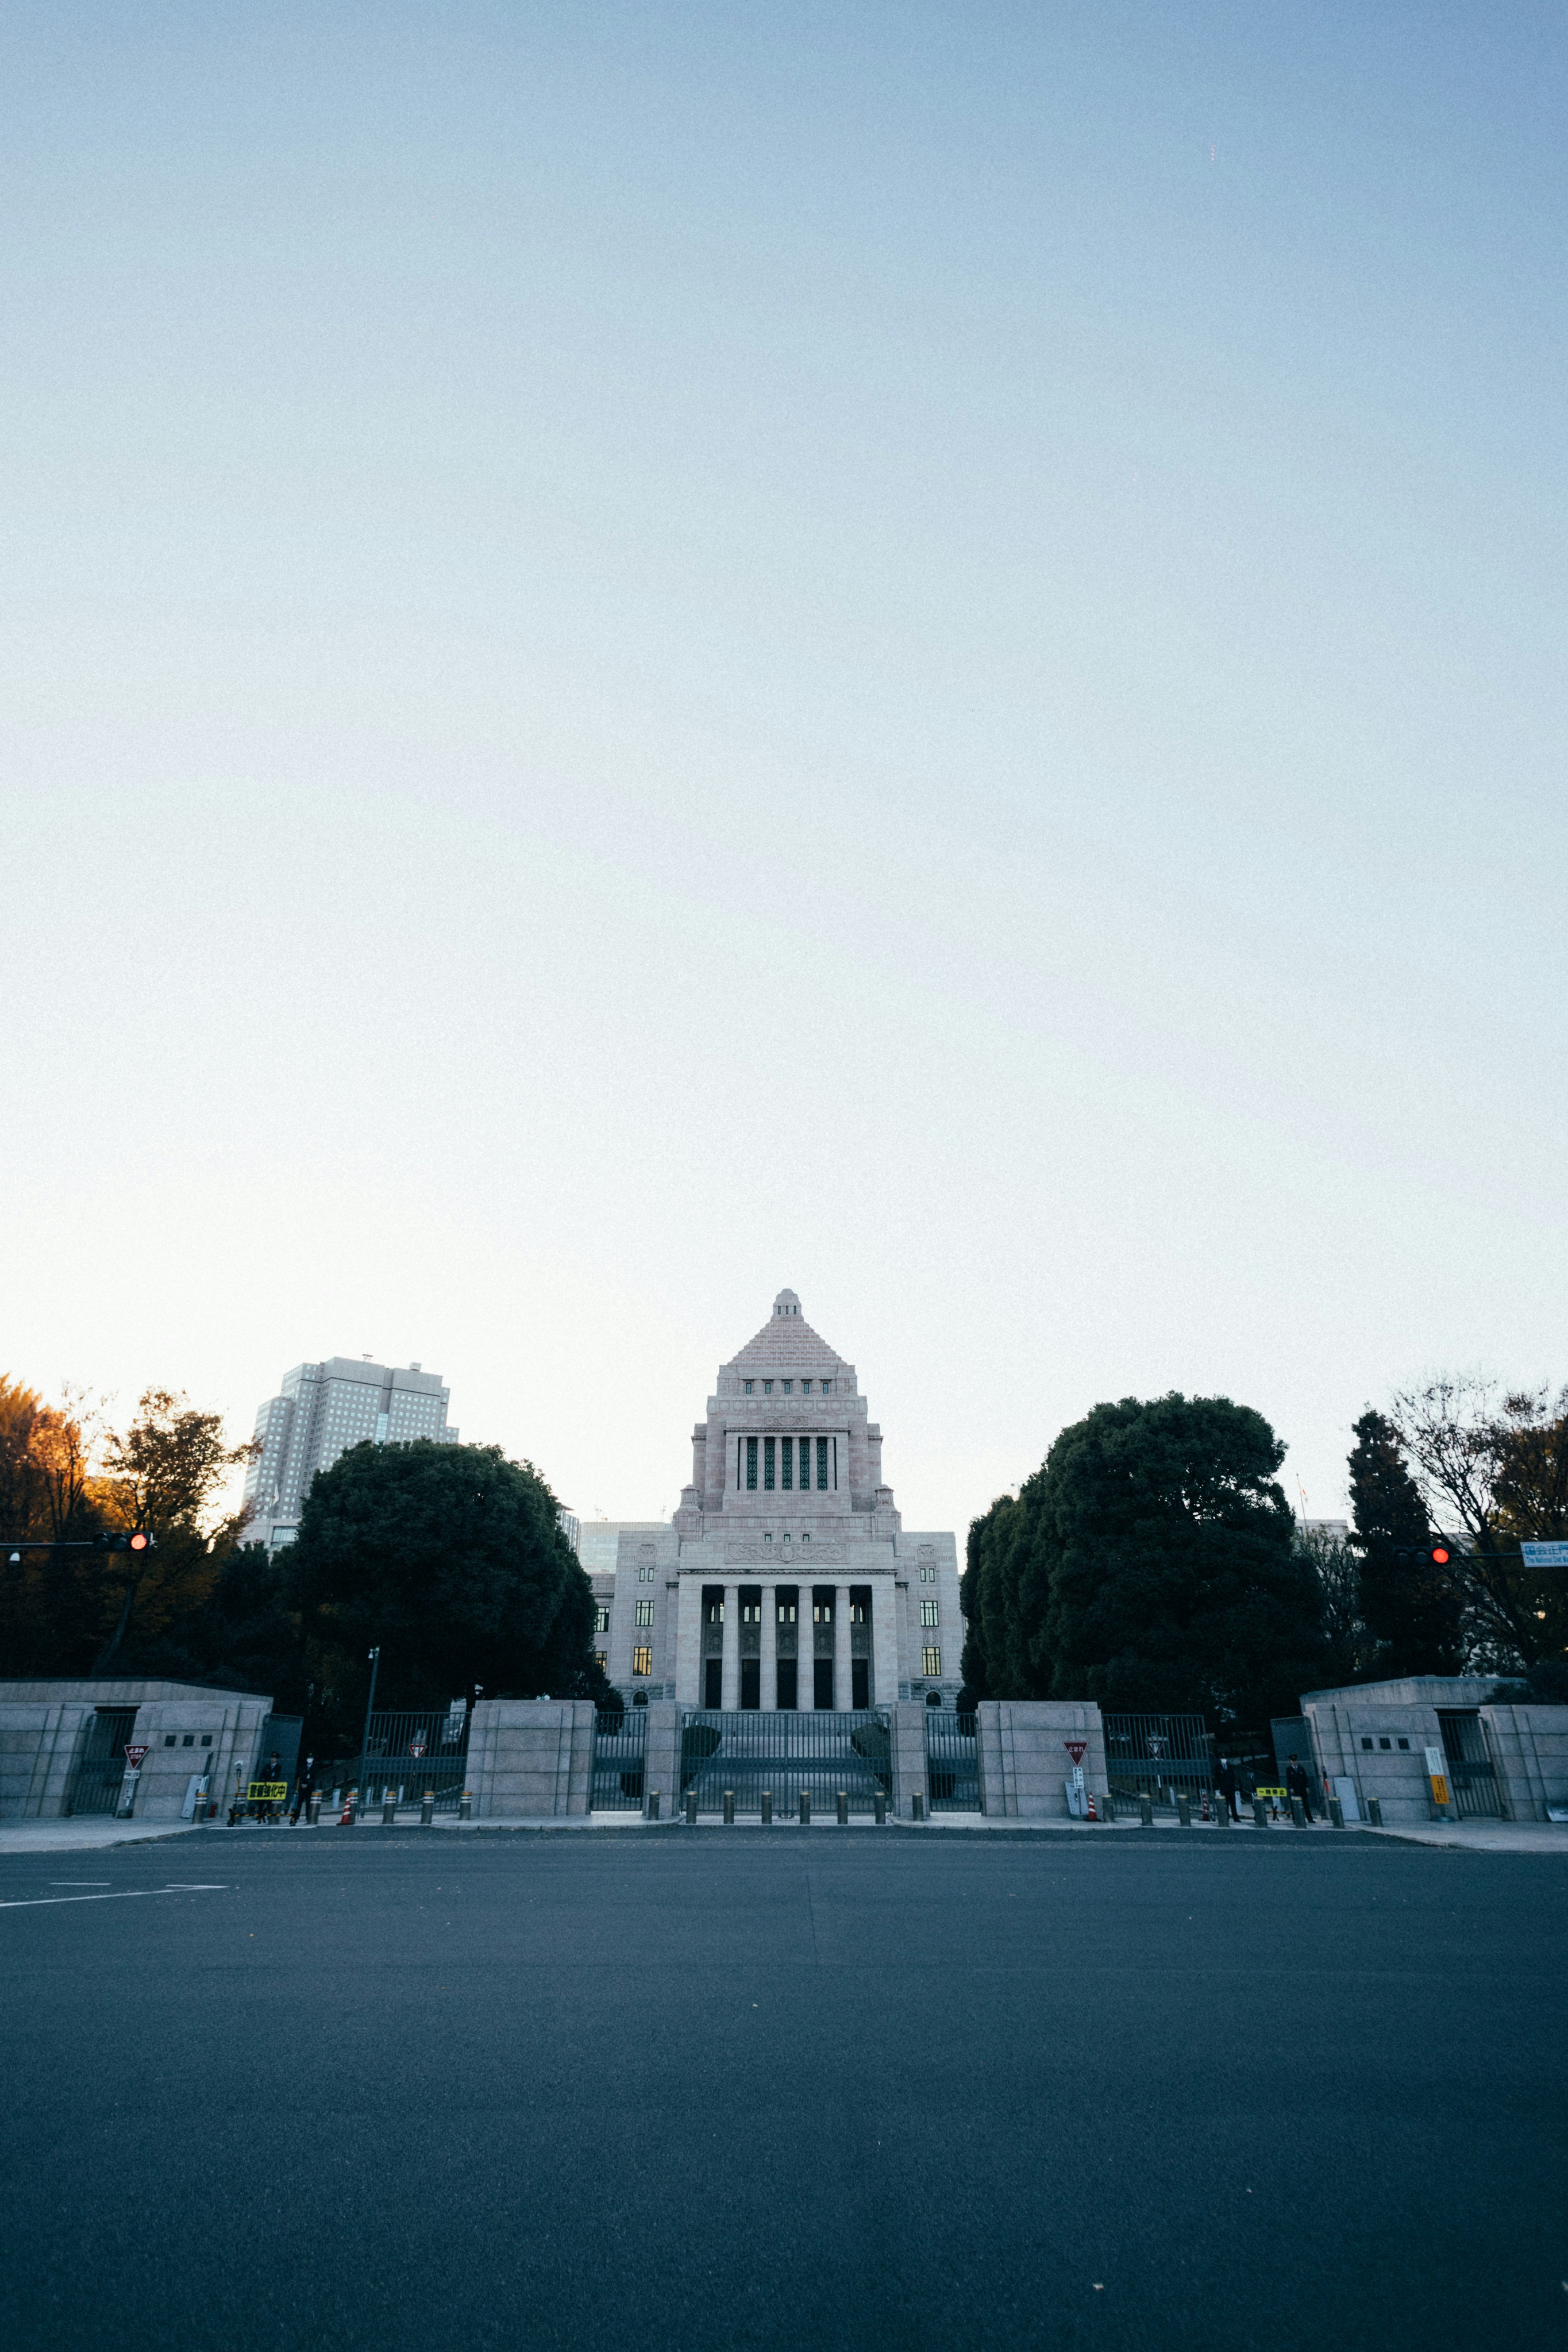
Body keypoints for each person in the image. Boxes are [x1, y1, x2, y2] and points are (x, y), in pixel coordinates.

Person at [1285, 1754, 1316, 1823]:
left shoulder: (1301, 1769)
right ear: (1290, 1762)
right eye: (1293, 1761)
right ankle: (1295, 1819)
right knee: (1294, 1806)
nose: (1294, 1762)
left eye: (1295, 1761)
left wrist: (1307, 1787)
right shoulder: (1289, 1770)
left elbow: (1305, 1779)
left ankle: (1310, 1819)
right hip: (1295, 1790)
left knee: (1306, 1805)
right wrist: (1291, 1788)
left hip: (1302, 1789)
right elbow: (1288, 1780)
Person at [1215, 1756, 1239, 1821]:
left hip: (1231, 1788)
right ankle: (1226, 1817)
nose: (1224, 1760)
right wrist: (1220, 1784)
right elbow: (1217, 1777)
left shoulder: (1230, 1767)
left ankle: (1236, 1817)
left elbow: (1233, 1777)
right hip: (1224, 1788)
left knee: (1233, 1804)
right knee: (1226, 1804)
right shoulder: (1218, 1767)